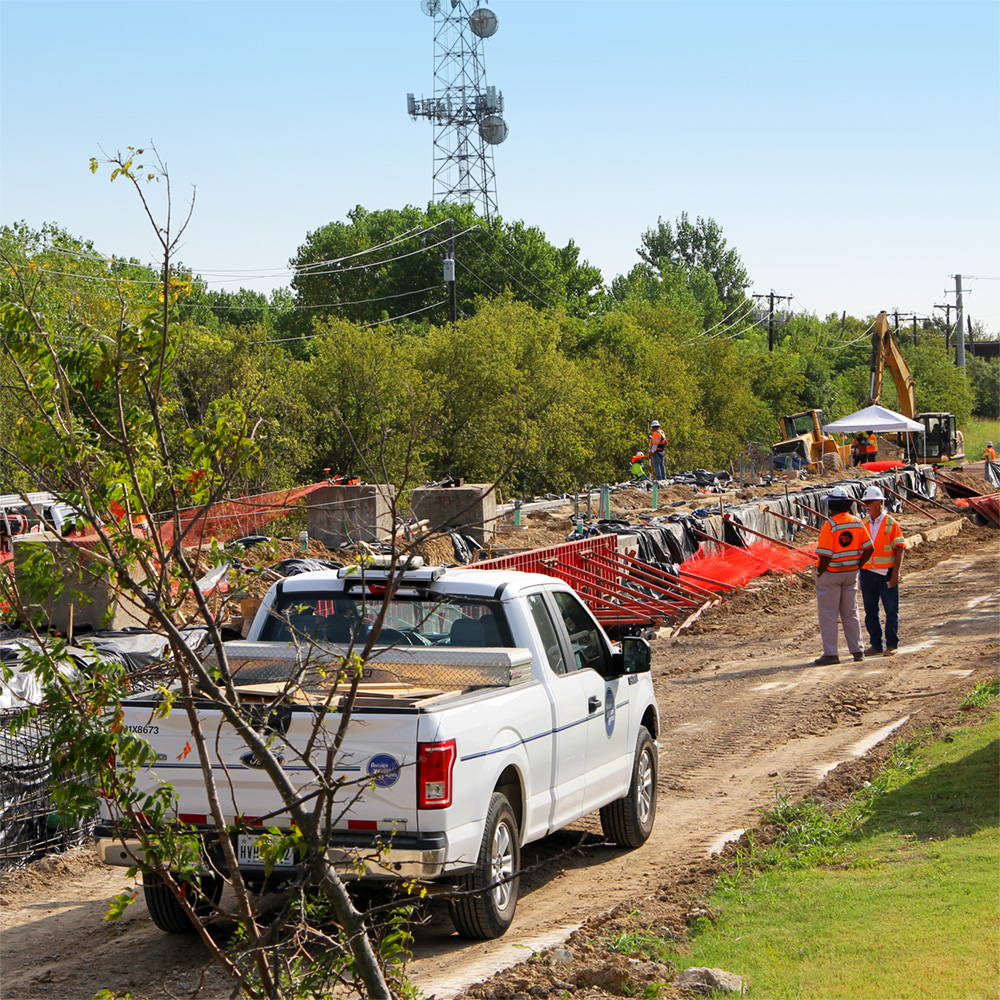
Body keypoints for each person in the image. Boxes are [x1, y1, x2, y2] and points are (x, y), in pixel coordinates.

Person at [813, 485, 873, 665]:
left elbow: (825, 555)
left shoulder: (829, 526)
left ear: (831, 506)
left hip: (831, 574)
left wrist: (820, 573)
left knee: (829, 614)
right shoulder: (857, 522)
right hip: (850, 574)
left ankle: (831, 653)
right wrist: (857, 566)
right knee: (851, 612)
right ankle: (857, 650)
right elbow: (869, 548)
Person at [858, 486, 906, 657]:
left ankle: (892, 644)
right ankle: (876, 644)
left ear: (879, 503)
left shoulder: (892, 524)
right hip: (868, 574)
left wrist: (895, 574)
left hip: (887, 573)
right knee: (871, 611)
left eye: (869, 502)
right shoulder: (863, 524)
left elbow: (900, 549)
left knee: (891, 610)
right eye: (865, 503)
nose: (867, 506)